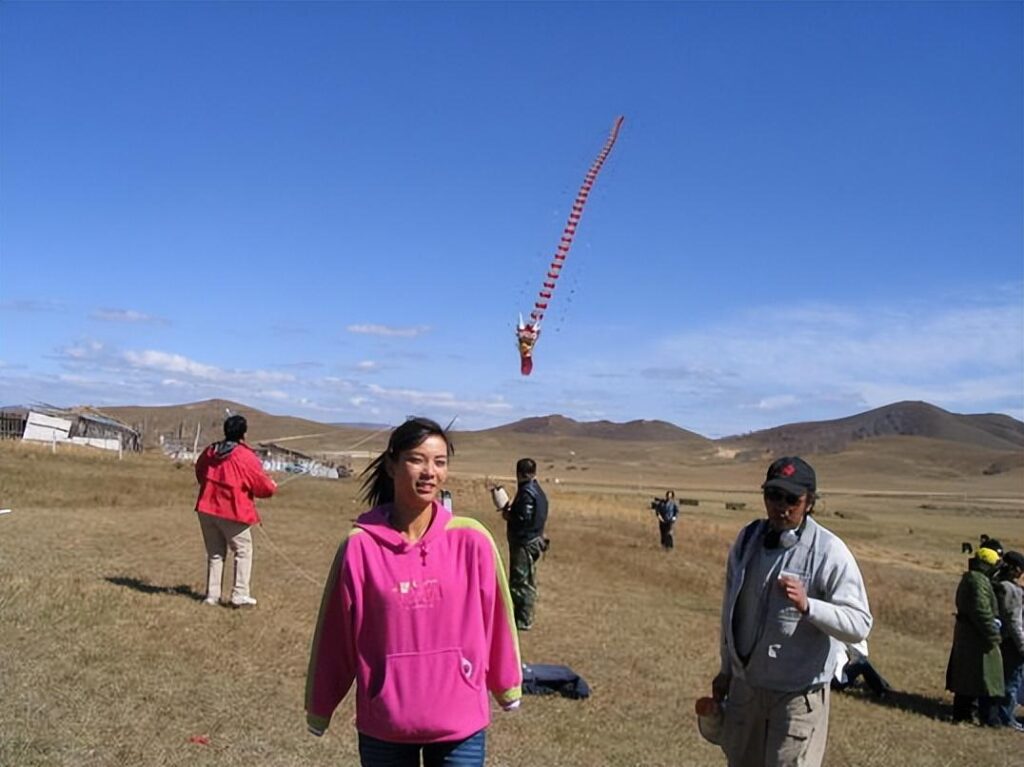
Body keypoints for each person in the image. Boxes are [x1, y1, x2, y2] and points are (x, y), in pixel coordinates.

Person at [305, 417, 522, 766]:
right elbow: (335, 636)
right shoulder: (360, 548)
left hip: (460, 724)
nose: (429, 472)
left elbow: (497, 619)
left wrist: (506, 684)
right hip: (385, 723)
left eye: (439, 462)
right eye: (417, 459)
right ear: (392, 465)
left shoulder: (472, 540)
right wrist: (320, 706)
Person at [710, 456, 872, 767]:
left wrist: (810, 606)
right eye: (773, 495)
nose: (781, 506)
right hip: (747, 691)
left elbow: (859, 624)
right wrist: (726, 669)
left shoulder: (828, 551)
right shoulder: (747, 540)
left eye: (791, 499)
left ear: (809, 502)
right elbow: (731, 611)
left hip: (797, 698)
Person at [194, 414, 276, 607]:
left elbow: (199, 471)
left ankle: (212, 596)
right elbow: (262, 486)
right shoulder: (245, 456)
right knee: (243, 551)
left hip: (206, 508)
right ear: (243, 434)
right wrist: (272, 485)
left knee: (215, 553)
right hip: (232, 510)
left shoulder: (210, 451)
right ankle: (239, 594)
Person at [945, 547, 1005, 726]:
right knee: (988, 678)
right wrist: (993, 635)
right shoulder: (977, 582)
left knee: (967, 678)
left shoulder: (974, 578)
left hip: (970, 635)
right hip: (977, 637)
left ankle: (964, 714)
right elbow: (981, 611)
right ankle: (989, 718)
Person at [501, 457, 549, 631]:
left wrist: (509, 515)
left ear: (519, 473)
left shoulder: (527, 493)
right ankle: (524, 616)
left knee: (521, 582)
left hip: (524, 542)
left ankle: (522, 619)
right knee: (528, 579)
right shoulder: (538, 491)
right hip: (534, 540)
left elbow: (524, 518)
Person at [993, 550, 1024, 730]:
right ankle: (1006, 717)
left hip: (1002, 639)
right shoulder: (1010, 589)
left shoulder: (998, 584)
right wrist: (1022, 646)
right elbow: (1014, 622)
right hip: (1012, 641)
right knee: (1011, 681)